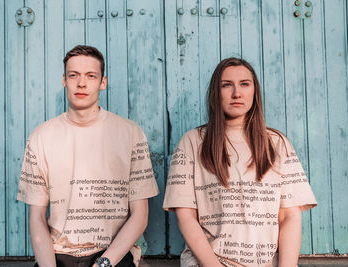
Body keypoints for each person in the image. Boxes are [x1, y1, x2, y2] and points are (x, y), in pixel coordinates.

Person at [163, 57, 317, 267]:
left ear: (255, 91)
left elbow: (289, 216)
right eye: (227, 85)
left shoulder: (277, 144)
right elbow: (186, 216)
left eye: (245, 84)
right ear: (215, 93)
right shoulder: (193, 142)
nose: (237, 93)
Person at [17, 45, 159, 267]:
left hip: (111, 255)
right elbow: (36, 217)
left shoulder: (130, 133)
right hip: (58, 255)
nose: (81, 83)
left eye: (91, 76)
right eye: (73, 75)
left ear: (103, 82)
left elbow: (140, 216)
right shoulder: (41, 137)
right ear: (64, 80)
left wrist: (105, 263)